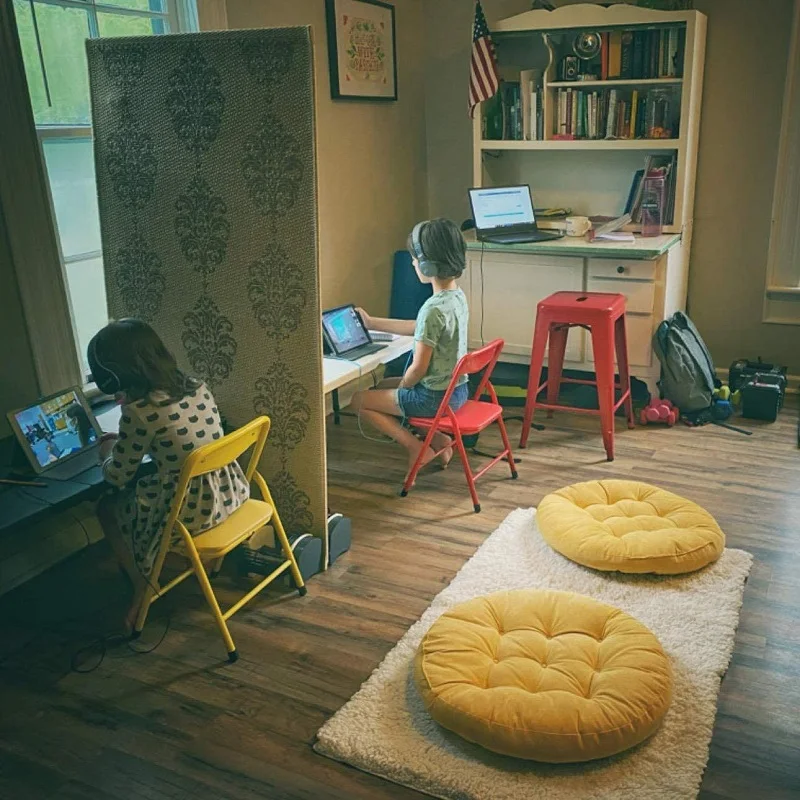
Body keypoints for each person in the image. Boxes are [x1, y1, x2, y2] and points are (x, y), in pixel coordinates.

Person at [89, 319, 250, 632]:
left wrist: (107, 450)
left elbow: (118, 476)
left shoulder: (140, 412)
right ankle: (197, 567)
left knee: (106, 507)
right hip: (229, 494)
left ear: (113, 373)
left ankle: (142, 587)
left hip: (191, 514)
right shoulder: (195, 386)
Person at [351, 218, 469, 477]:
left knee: (359, 400)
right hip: (457, 392)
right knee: (382, 388)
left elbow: (417, 368)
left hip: (432, 399)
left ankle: (416, 447)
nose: (413, 263)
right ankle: (439, 441)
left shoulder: (432, 308)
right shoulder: (456, 297)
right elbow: (418, 327)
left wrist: (404, 386)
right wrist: (371, 322)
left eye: (415, 258)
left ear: (427, 265)